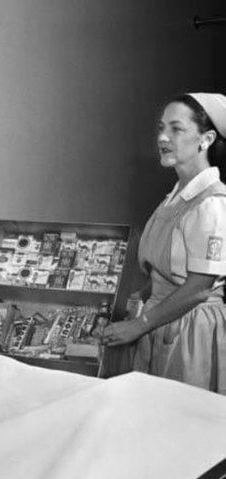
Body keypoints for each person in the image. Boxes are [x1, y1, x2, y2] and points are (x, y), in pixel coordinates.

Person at [101, 92, 226, 393]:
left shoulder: (212, 204)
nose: (163, 137)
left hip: (190, 331)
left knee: (179, 423)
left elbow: (199, 287)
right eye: (161, 128)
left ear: (206, 139)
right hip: (160, 319)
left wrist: (139, 324)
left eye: (176, 128)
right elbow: (167, 267)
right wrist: (141, 295)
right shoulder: (174, 198)